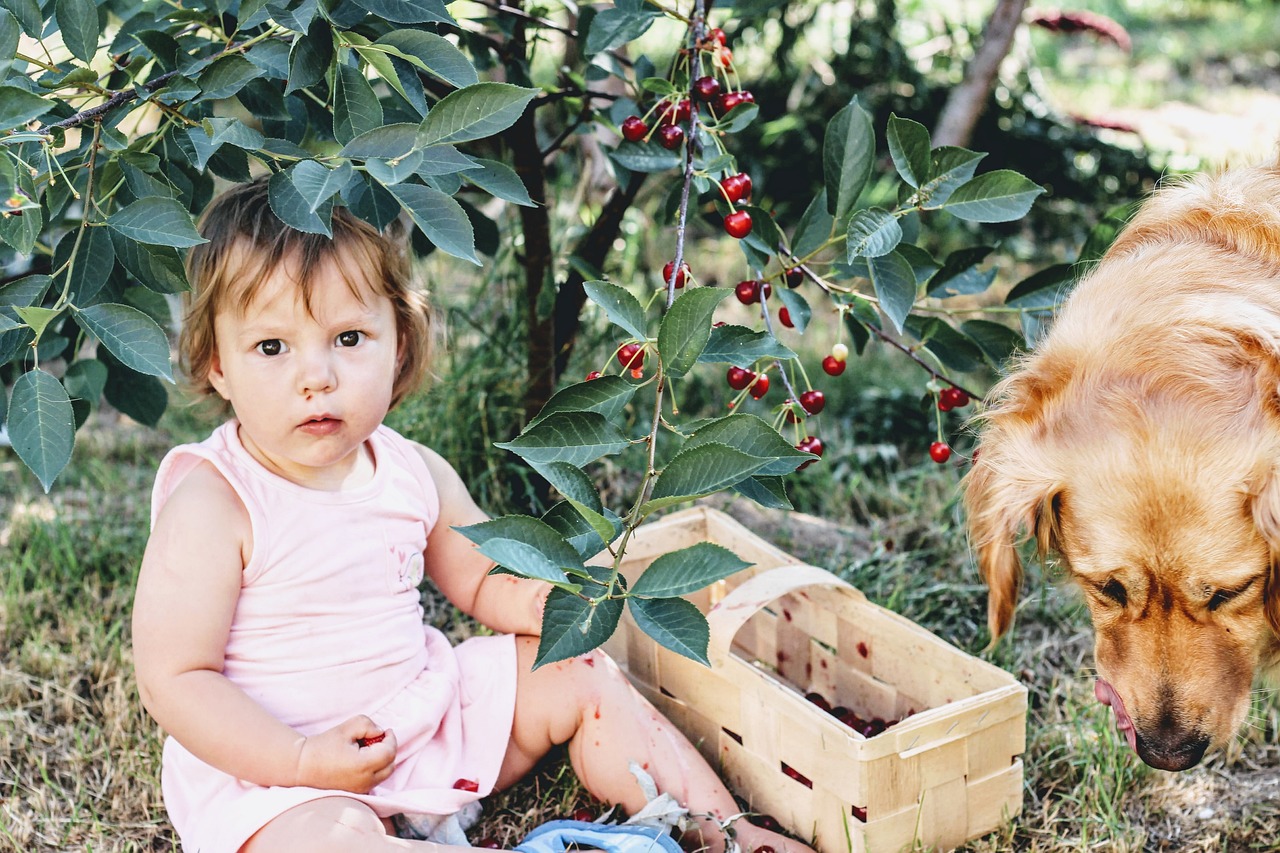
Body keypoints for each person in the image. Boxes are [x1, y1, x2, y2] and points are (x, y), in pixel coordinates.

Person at [131, 177, 816, 853]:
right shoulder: (216, 501)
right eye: (273, 347)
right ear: (218, 364)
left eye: (347, 337)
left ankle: (724, 830)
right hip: (279, 774)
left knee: (578, 670)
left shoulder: (411, 470)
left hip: (418, 718)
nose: (318, 375)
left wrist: (548, 595)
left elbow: (484, 578)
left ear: (398, 341)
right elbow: (176, 677)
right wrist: (303, 759)